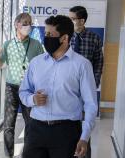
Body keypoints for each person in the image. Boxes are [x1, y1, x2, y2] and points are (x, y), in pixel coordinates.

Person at [19, 15, 98, 158]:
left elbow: (91, 104)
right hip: (36, 128)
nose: (46, 37)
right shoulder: (36, 63)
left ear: (64, 38)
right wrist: (32, 99)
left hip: (66, 132)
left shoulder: (82, 65)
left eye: (50, 34)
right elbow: (24, 91)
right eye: (46, 34)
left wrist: (84, 137)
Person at [0, 13, 43, 157]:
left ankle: (27, 154)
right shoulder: (8, 44)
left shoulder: (36, 45)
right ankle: (8, 155)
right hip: (12, 88)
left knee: (30, 124)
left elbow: (43, 66)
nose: (28, 26)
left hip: (29, 90)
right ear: (16, 24)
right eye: (25, 23)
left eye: (30, 23)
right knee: (9, 124)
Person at [69, 6, 104, 158]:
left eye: (72, 19)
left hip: (85, 91)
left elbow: (99, 63)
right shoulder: (65, 37)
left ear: (81, 20)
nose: (69, 21)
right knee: (68, 125)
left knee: (85, 126)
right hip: (68, 89)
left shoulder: (94, 38)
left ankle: (84, 154)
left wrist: (92, 84)